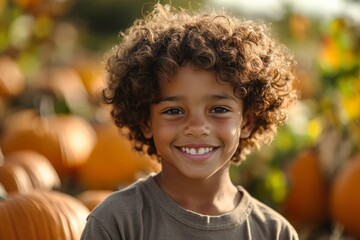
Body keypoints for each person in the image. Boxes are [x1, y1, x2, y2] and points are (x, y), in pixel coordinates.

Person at [81, 3, 299, 240]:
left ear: (246, 121)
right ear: (146, 121)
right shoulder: (117, 222)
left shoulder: (274, 232)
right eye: (174, 111)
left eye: (218, 109)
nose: (196, 127)